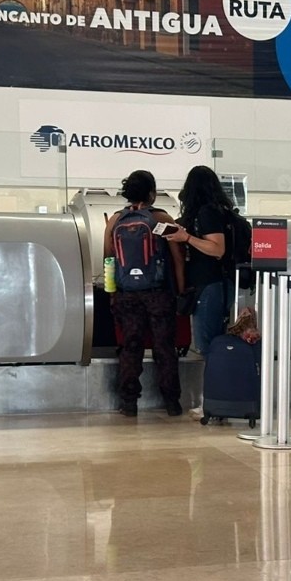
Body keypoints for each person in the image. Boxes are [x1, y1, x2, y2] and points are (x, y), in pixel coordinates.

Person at [104, 170, 186, 417]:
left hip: (126, 294)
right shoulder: (160, 219)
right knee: (164, 347)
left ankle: (129, 402)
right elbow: (177, 259)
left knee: (130, 346)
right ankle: (172, 402)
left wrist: (112, 293)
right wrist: (181, 291)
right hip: (158, 294)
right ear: (152, 192)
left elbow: (109, 259)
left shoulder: (115, 221)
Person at [165, 166, 232, 354]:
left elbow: (217, 249)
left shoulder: (207, 212)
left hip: (210, 285)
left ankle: (215, 382)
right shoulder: (218, 211)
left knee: (207, 346)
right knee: (214, 343)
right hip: (216, 284)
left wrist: (186, 238)